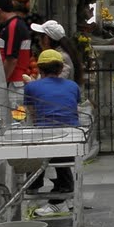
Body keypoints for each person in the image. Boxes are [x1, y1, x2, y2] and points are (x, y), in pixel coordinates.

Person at [24, 49, 82, 199]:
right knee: (58, 148)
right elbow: (73, 109)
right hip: (72, 140)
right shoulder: (73, 86)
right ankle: (65, 188)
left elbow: (32, 114)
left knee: (36, 150)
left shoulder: (31, 87)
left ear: (39, 69)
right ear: (61, 69)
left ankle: (32, 187)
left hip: (45, 142)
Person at [0, 0, 35, 84]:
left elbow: (11, 59)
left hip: (13, 81)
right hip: (15, 80)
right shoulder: (15, 24)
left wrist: (1, 81)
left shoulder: (13, 26)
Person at [31, 19, 82, 87]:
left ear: (46, 39)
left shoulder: (61, 58)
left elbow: (52, 84)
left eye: (40, 38)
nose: (39, 42)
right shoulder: (62, 54)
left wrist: (32, 84)